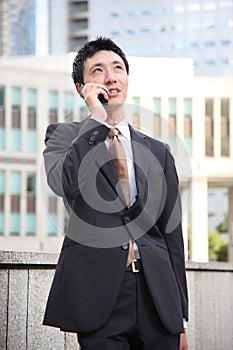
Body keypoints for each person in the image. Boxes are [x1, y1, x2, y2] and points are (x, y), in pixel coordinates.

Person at [43, 36, 189, 350]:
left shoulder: (157, 151)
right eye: (97, 70)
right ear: (81, 88)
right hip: (100, 298)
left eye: (117, 68)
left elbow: (171, 235)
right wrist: (95, 121)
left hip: (157, 296)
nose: (110, 77)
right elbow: (63, 183)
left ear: (126, 78)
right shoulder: (64, 137)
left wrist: (180, 319)